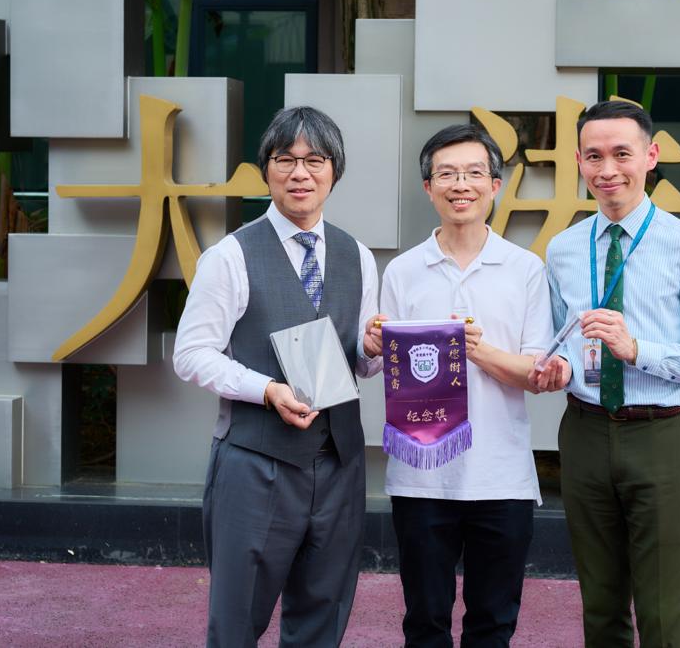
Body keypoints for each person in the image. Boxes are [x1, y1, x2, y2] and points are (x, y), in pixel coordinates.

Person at [173, 106, 382, 648]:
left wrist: (372, 349)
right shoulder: (230, 256)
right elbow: (191, 353)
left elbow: (361, 360)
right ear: (266, 169)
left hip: (338, 462)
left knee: (323, 617)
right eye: (285, 159)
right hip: (255, 462)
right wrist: (265, 390)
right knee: (236, 621)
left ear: (335, 171)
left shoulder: (358, 256)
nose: (300, 173)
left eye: (315, 160)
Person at [536, 100, 680, 648]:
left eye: (622, 154)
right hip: (584, 431)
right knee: (599, 604)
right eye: (594, 156)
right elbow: (565, 340)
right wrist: (560, 366)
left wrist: (636, 349)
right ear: (578, 161)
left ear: (651, 156)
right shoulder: (564, 249)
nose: (608, 170)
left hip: (661, 436)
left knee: (661, 609)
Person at [364, 124, 569, 648]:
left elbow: (537, 373)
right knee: (424, 623)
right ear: (428, 187)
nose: (461, 185)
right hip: (421, 478)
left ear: (495, 186)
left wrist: (475, 350)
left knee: (493, 624)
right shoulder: (403, 271)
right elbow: (386, 368)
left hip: (502, 477)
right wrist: (374, 343)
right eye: (447, 174)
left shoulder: (525, 269)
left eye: (475, 173)